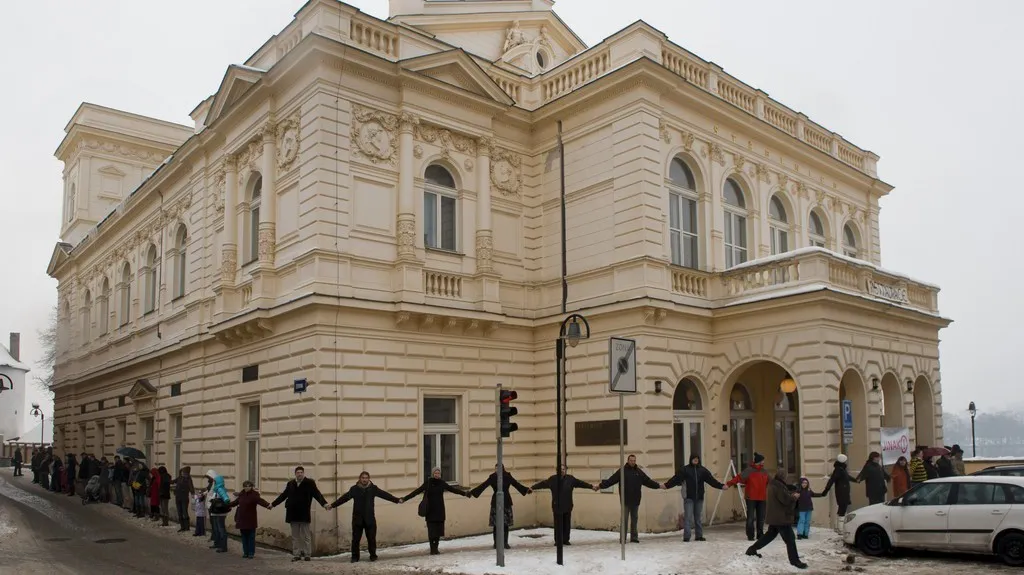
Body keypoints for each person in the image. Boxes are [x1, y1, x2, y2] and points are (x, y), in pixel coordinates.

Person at [329, 471, 403, 563]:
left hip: (370, 519)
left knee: (371, 539)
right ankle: (355, 557)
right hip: (357, 519)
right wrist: (332, 505)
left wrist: (396, 500)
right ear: (360, 479)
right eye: (363, 478)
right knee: (355, 539)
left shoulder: (373, 488)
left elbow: (385, 495)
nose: (364, 479)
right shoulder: (354, 489)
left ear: (369, 479)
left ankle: (373, 555)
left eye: (366, 478)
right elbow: (343, 498)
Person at [745, 469, 807, 570]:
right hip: (781, 517)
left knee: (769, 536)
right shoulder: (778, 486)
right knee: (790, 539)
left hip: (775, 516)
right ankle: (795, 561)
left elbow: (781, 497)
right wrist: (794, 497)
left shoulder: (772, 484)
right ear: (783, 477)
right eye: (785, 476)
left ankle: (752, 549)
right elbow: (786, 500)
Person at [401, 467, 471, 555]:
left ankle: (436, 548)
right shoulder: (428, 483)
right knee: (431, 531)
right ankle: (432, 549)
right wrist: (405, 499)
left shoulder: (442, 483)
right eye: (435, 473)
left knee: (438, 531)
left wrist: (465, 493)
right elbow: (416, 491)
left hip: (440, 510)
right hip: (430, 510)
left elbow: (453, 490)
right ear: (432, 474)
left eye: (438, 473)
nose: (437, 475)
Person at [270, 465, 329, 562]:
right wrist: (273, 504)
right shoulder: (291, 484)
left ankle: (307, 554)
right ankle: (296, 554)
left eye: (301, 472)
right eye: (298, 472)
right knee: (295, 536)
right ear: (295, 474)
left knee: (306, 536)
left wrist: (325, 504)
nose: (300, 474)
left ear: (304, 473)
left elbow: (317, 494)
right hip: (292, 513)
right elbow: (283, 496)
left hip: (304, 513)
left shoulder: (309, 483)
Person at [597, 454, 661, 543]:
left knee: (634, 519)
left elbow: (647, 481)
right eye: (631, 460)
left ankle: (634, 537)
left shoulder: (638, 471)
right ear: (628, 461)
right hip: (625, 500)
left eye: (634, 460)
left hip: (636, 499)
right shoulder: (622, 471)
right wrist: (600, 486)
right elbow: (611, 480)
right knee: (624, 520)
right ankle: (623, 538)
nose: (633, 462)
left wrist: (658, 486)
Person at [663, 454, 727, 542]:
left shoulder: (703, 471)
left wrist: (721, 486)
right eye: (694, 458)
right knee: (688, 517)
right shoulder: (685, 470)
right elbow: (676, 479)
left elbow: (711, 480)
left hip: (699, 497)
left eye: (697, 458)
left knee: (698, 517)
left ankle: (699, 536)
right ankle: (687, 536)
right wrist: (666, 485)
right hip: (688, 497)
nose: (696, 460)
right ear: (690, 459)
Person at [529, 464, 595, 547]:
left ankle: (566, 540)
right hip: (557, 505)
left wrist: (591, 486)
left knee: (566, 524)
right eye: (560, 469)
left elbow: (581, 483)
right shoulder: (552, 479)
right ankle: (558, 540)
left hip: (567, 505)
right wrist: (532, 487)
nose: (562, 471)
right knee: (558, 524)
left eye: (564, 469)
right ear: (557, 470)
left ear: (566, 470)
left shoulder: (570, 479)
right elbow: (542, 484)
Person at [470, 464, 531, 550]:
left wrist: (526, 490)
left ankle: (505, 543)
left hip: (506, 502)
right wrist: (473, 492)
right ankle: (496, 543)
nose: (496, 470)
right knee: (496, 524)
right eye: (495, 469)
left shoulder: (507, 476)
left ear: (502, 469)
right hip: (496, 502)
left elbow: (516, 484)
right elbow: (483, 485)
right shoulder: (492, 477)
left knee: (505, 524)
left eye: (498, 468)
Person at [726, 452, 771, 542]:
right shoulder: (749, 471)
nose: (764, 462)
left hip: (762, 498)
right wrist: (729, 484)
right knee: (750, 517)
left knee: (761, 517)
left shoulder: (764, 472)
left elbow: (771, 482)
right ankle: (750, 535)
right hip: (751, 498)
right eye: (763, 460)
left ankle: (760, 534)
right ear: (759, 461)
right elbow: (738, 478)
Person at [229, 480, 271, 559]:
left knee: (251, 537)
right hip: (242, 519)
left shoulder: (254, 495)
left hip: (251, 519)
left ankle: (251, 552)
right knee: (244, 537)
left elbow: (260, 501)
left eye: (248, 486)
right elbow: (235, 502)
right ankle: (245, 552)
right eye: (245, 486)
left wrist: (268, 505)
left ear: (251, 487)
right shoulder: (241, 494)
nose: (247, 487)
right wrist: (227, 505)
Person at [821, 453, 857, 531]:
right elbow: (832, 480)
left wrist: (856, 480)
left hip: (843, 492)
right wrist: (825, 490)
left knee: (841, 509)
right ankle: (841, 528)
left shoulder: (841, 469)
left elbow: (847, 477)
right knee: (842, 509)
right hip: (842, 492)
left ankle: (838, 527)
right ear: (843, 461)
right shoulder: (838, 470)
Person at [206, 469, 231, 553]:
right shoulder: (217, 489)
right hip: (215, 511)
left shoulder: (220, 489)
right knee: (216, 528)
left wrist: (216, 500)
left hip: (220, 512)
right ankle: (217, 543)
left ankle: (223, 546)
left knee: (221, 529)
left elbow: (226, 499)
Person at [174, 466, 196, 532]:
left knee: (184, 512)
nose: (183, 473)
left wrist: (193, 495)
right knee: (179, 512)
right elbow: (173, 481)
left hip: (184, 498)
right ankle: (182, 527)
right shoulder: (180, 478)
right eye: (182, 472)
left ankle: (187, 527)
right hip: (178, 497)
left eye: (184, 472)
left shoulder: (188, 479)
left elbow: (192, 488)